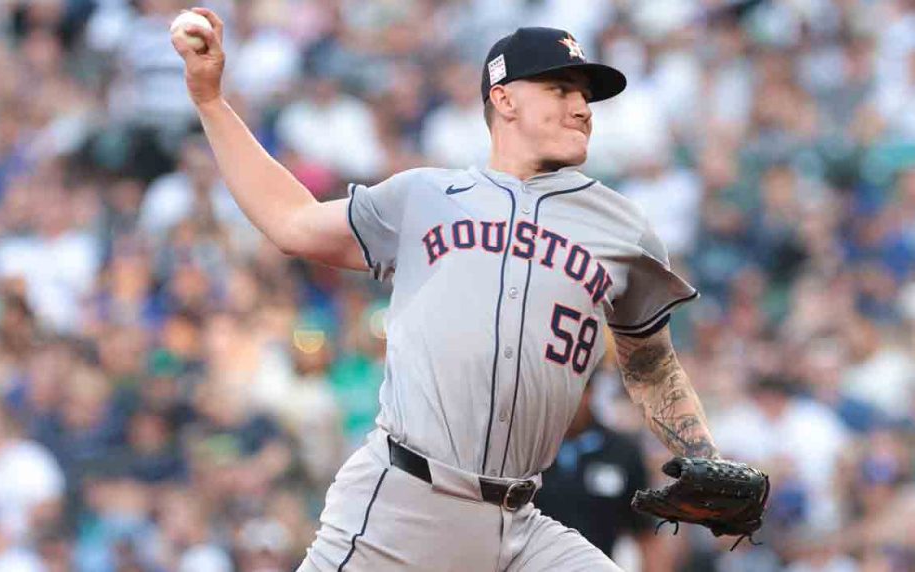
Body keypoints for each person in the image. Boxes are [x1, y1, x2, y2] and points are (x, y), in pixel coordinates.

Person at [173, 10, 721, 571]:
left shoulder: (623, 229)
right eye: (560, 90)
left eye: (585, 95)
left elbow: (652, 367)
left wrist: (704, 455)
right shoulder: (426, 196)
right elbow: (292, 222)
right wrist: (211, 101)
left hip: (520, 522)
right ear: (504, 99)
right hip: (404, 504)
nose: (582, 107)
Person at [533, 376, 666, 569]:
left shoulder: (622, 453)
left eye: (575, 392)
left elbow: (646, 535)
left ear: (590, 392)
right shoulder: (530, 452)